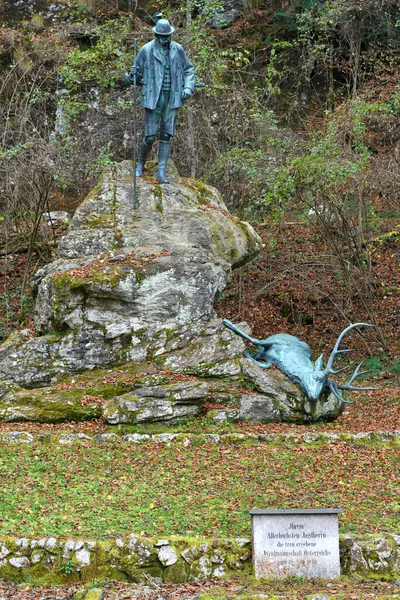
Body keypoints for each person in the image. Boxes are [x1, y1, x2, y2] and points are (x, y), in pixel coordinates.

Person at [129, 18, 195, 184]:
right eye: (164, 36)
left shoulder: (177, 49)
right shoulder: (146, 50)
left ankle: (161, 171)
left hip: (173, 96)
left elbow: (189, 70)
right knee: (150, 136)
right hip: (153, 97)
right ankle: (141, 163)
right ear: (156, 35)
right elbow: (135, 76)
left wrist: (188, 87)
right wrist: (133, 75)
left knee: (166, 134)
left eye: (169, 35)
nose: (167, 39)